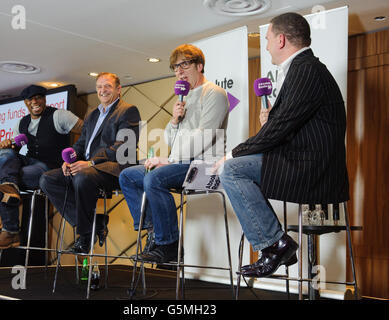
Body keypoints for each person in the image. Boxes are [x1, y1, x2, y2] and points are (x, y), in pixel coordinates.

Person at [216, 12, 349, 278]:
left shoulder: (306, 69)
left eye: (266, 40)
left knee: (232, 169)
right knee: (235, 168)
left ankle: (275, 245)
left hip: (311, 167)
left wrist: (232, 153)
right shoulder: (305, 68)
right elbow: (289, 124)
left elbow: (280, 130)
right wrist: (273, 118)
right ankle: (275, 244)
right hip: (303, 159)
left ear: (281, 39)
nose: (265, 47)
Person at [119, 44, 229, 264]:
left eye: (184, 65)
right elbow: (171, 140)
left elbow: (204, 136)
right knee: (128, 175)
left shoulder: (214, 93)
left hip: (205, 165)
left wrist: (169, 160)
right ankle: (153, 234)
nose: (179, 71)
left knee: (155, 177)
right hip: (181, 163)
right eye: (175, 67)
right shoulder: (183, 98)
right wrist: (173, 120)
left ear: (199, 66)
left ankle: (168, 246)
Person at [39, 72, 141, 254]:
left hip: (114, 169)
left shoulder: (128, 110)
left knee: (82, 176)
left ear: (118, 89)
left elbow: (124, 147)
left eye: (108, 86)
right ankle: (95, 223)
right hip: (88, 169)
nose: (103, 90)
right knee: (47, 179)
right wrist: (69, 159)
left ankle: (85, 236)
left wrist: (91, 162)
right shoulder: (92, 114)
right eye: (99, 87)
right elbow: (80, 145)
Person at [0, 84, 83, 249]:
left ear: (44, 99)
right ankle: (10, 187)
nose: (34, 101)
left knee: (6, 182)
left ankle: (10, 231)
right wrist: (8, 145)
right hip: (30, 163)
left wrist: (77, 156)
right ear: (25, 102)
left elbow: (86, 132)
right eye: (30, 99)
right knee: (5, 154)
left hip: (50, 168)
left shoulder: (59, 116)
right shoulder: (22, 123)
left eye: (38, 97)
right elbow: (13, 153)